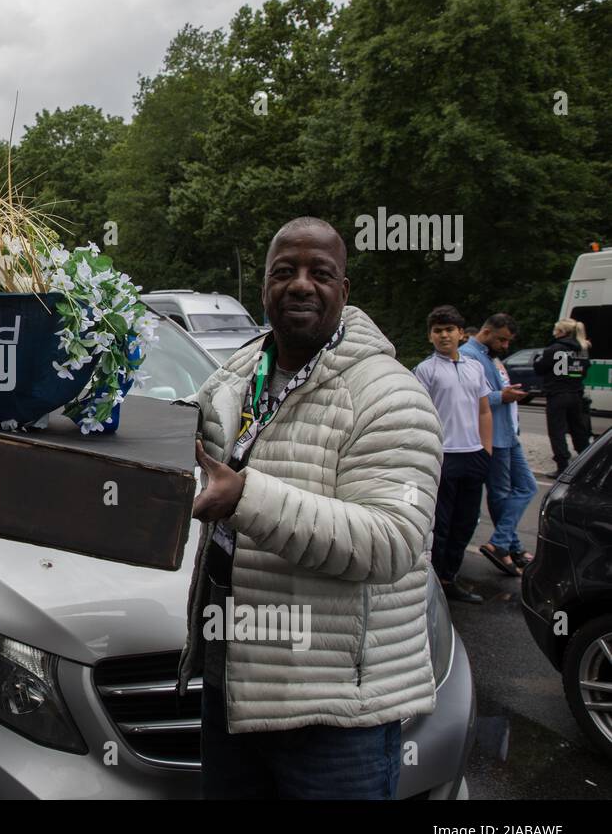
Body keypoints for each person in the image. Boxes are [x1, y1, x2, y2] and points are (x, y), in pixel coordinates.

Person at [179, 217, 442, 799]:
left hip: (332, 711)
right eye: (284, 272)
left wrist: (244, 497)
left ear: (343, 292)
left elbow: (392, 541)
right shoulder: (239, 375)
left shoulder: (389, 394)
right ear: (264, 289)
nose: (300, 285)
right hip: (235, 682)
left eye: (319, 273)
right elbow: (169, 442)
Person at [413, 306, 493, 603]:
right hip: (444, 456)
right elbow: (418, 414)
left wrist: (487, 450)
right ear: (430, 336)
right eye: (437, 330)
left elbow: (484, 410)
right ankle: (431, 586)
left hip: (473, 455)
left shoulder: (475, 367)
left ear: (462, 334)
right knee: (440, 525)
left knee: (466, 522)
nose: (444, 335)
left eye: (449, 330)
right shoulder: (426, 370)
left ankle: (450, 579)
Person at [461, 314, 536, 574]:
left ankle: (503, 543)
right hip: (493, 436)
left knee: (527, 486)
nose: (506, 345)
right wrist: (501, 396)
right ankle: (508, 546)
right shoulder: (469, 355)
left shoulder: (491, 355)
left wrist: (508, 394)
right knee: (500, 492)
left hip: (508, 433)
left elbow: (496, 390)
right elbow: (468, 397)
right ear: (486, 331)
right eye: (502, 339)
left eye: (508, 341)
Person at [534, 317, 592, 478]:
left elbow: (539, 368)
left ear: (562, 332)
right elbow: (585, 370)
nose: (554, 332)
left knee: (557, 431)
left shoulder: (554, 349)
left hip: (557, 394)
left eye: (556, 329)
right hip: (576, 394)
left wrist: (538, 359)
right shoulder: (582, 348)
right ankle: (587, 464)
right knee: (579, 430)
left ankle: (562, 467)